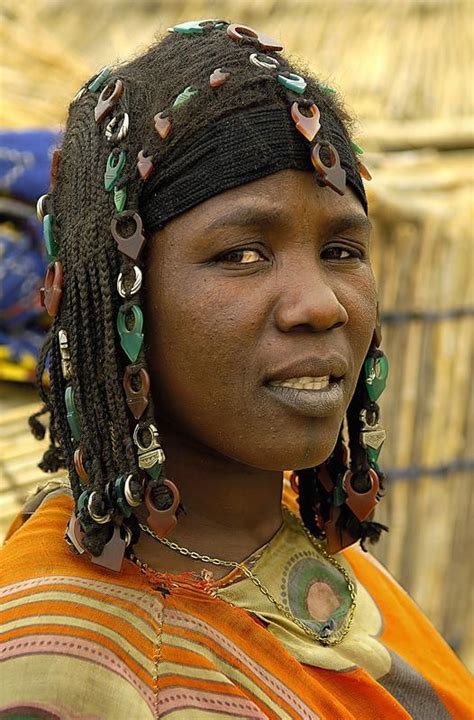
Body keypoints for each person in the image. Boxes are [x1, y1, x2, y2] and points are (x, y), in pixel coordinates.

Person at [0, 20, 471, 720]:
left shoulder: (283, 536)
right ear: (118, 301)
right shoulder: (85, 682)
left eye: (342, 250)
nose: (321, 305)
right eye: (243, 254)